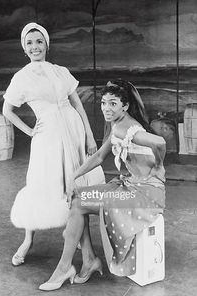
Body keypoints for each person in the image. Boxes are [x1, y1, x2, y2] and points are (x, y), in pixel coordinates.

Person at [39, 79, 166, 291]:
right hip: (130, 186)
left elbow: (160, 142)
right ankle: (87, 260)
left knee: (78, 204)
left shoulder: (127, 128)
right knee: (78, 198)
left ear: (124, 106)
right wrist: (73, 177)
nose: (107, 108)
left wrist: (159, 167)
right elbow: (98, 156)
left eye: (113, 103)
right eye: (104, 103)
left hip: (144, 196)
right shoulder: (118, 125)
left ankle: (67, 267)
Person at [2, 22, 104, 266]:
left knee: (75, 183)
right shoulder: (21, 77)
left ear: (47, 44)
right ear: (24, 49)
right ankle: (28, 240)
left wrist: (90, 136)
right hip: (47, 138)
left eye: (39, 41)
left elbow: (77, 104)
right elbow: (7, 110)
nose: (35, 47)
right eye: (29, 43)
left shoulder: (61, 71)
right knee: (41, 184)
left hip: (74, 131)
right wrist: (29, 131)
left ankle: (77, 235)